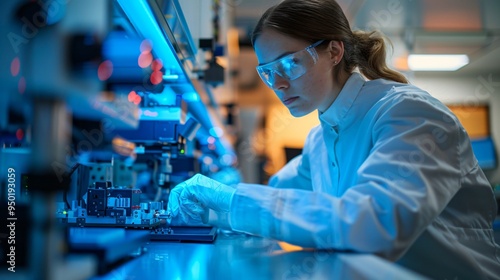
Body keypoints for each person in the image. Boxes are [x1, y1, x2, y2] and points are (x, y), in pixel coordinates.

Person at [167, 0, 500, 278]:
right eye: (267, 72)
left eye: (290, 63)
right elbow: (276, 200)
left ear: (334, 52)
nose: (279, 84)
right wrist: (211, 206)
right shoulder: (319, 141)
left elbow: (374, 224)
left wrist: (228, 200)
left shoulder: (410, 115)